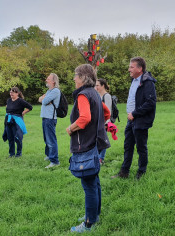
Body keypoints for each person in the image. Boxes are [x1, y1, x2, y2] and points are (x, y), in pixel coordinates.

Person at [67, 64, 110, 233]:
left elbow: (84, 118)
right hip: (97, 143)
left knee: (89, 184)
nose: (74, 78)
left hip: (86, 144)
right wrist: (97, 124)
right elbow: (106, 113)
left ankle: (89, 223)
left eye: (76, 75)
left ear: (84, 78)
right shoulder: (95, 94)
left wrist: (71, 128)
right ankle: (94, 214)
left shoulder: (83, 95)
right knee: (94, 181)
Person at [112, 57, 156, 180]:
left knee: (141, 147)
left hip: (139, 119)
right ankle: (124, 172)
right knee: (128, 146)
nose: (129, 69)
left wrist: (135, 113)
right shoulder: (135, 80)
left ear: (139, 68)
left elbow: (150, 102)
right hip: (130, 120)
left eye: (131, 67)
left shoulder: (147, 82)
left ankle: (141, 173)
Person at [38, 73, 61, 168]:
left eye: (48, 79)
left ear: (53, 81)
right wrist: (44, 99)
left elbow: (43, 101)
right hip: (45, 117)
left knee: (51, 140)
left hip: (50, 119)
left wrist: (44, 99)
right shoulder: (49, 91)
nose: (46, 80)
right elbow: (40, 99)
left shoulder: (55, 91)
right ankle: (48, 155)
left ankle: (55, 161)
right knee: (46, 138)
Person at [3, 87, 32, 158]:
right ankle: (11, 154)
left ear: (17, 93)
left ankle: (19, 153)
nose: (11, 93)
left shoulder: (20, 101)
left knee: (17, 137)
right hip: (9, 121)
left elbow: (30, 107)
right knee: (10, 138)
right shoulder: (9, 100)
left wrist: (24, 112)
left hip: (17, 121)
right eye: (10, 92)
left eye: (13, 92)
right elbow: (7, 108)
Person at [95, 78, 112, 165]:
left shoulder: (107, 96)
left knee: (103, 140)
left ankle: (101, 158)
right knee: (98, 139)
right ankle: (98, 157)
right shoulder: (98, 95)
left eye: (97, 85)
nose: (96, 87)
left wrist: (106, 124)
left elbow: (108, 111)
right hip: (98, 122)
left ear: (103, 86)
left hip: (104, 122)